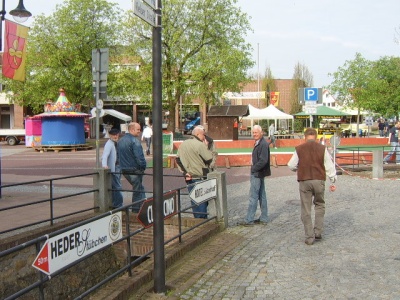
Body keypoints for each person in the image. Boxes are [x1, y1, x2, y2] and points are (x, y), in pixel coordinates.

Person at [287, 127, 337, 246]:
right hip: (319, 180)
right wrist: (333, 180)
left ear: (305, 138)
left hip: (304, 180)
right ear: (316, 138)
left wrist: (299, 168)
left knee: (306, 208)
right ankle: (318, 232)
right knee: (319, 205)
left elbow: (291, 165)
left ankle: (309, 237)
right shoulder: (322, 148)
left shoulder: (299, 149)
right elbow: (329, 165)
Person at [176, 125, 214, 219]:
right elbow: (209, 159)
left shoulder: (183, 144)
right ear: (197, 134)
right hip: (200, 176)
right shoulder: (200, 145)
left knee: (194, 201)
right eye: (203, 135)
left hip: (189, 176)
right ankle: (201, 222)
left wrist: (185, 172)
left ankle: (196, 221)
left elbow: (178, 159)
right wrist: (206, 147)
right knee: (202, 201)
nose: (204, 137)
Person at [242, 125, 271, 226]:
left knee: (254, 196)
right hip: (260, 172)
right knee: (262, 195)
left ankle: (249, 219)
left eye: (256, 132)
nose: (254, 134)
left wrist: (253, 168)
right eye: (253, 132)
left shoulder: (263, 144)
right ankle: (264, 218)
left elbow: (263, 160)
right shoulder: (260, 143)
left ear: (261, 133)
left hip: (257, 173)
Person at [118, 122, 147, 213]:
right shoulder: (135, 141)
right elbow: (139, 157)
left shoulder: (121, 140)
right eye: (138, 129)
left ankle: (143, 207)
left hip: (124, 169)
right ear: (131, 130)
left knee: (139, 188)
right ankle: (137, 210)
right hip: (134, 169)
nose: (140, 131)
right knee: (138, 190)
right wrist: (143, 167)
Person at [102, 128, 123, 209]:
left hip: (117, 167)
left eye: (117, 135)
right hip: (114, 168)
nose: (116, 136)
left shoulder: (114, 143)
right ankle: (118, 205)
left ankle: (116, 204)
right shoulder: (109, 144)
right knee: (117, 186)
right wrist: (104, 165)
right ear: (110, 135)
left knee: (115, 186)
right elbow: (105, 156)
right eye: (114, 135)